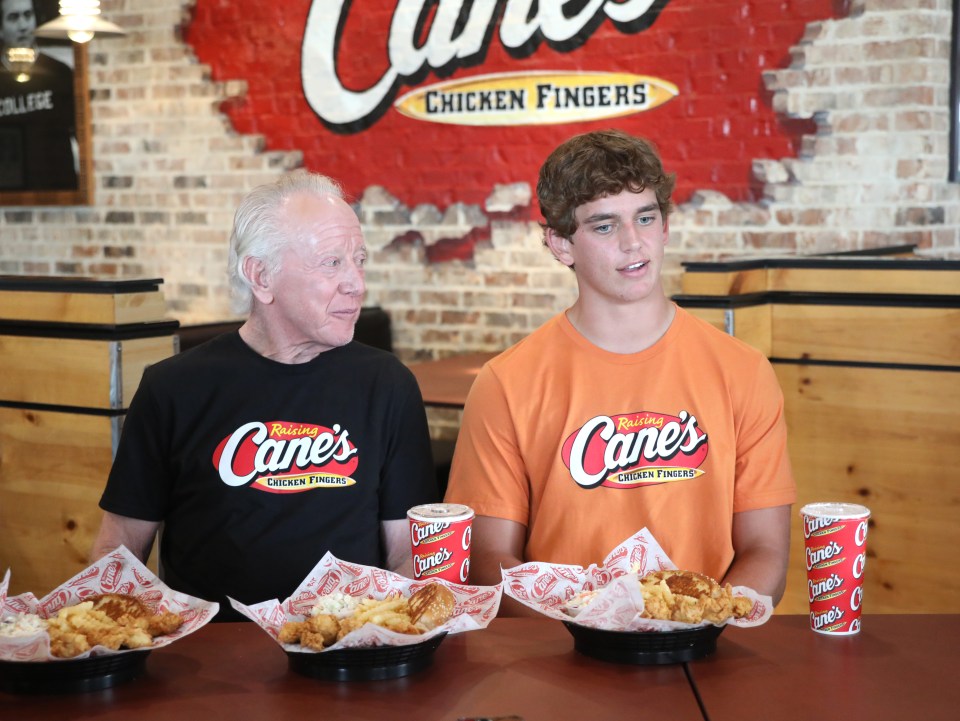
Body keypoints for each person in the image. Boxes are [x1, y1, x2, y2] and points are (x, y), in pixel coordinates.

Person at [443, 129, 796, 616]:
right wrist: (588, 624)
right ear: (561, 245)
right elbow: (487, 560)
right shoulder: (506, 383)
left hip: (705, 653)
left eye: (645, 218)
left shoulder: (743, 371)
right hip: (561, 657)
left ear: (665, 227)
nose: (634, 243)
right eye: (605, 227)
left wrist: (696, 621)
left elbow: (767, 552)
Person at [91, 171, 438, 620]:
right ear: (261, 276)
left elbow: (406, 555)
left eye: (359, 260)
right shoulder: (172, 389)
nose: (356, 283)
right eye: (332, 263)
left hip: (348, 652)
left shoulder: (388, 384)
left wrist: (391, 637)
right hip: (212, 661)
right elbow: (117, 551)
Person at [0, 0, 78, 190]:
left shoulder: (59, 73)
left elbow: (80, 134)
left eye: (28, 15)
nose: (23, 26)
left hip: (59, 191)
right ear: (1, 28)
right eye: (13, 17)